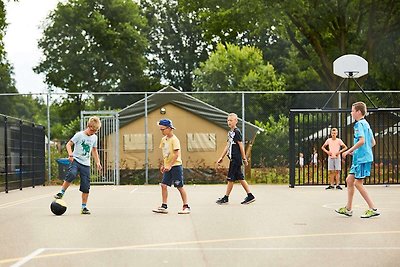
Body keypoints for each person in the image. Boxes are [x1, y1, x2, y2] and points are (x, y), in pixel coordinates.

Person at [335, 102, 380, 218]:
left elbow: (362, 141)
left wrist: (348, 150)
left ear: (358, 112)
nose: (351, 112)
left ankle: (373, 208)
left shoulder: (359, 124)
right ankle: (348, 209)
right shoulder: (366, 124)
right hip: (360, 157)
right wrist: (357, 151)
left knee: (358, 183)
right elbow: (373, 142)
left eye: (352, 110)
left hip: (361, 159)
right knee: (349, 180)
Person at [54, 116, 102, 215]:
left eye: (95, 132)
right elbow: (68, 144)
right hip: (76, 160)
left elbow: (94, 150)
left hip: (86, 164)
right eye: (92, 131)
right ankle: (61, 192)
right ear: (88, 126)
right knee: (72, 174)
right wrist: (70, 154)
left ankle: (83, 207)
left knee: (86, 186)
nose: (93, 133)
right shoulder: (79, 135)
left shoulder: (94, 137)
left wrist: (98, 162)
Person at [216, 113, 255, 205]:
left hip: (236, 159)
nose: (229, 122)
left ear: (236, 121)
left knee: (230, 178)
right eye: (228, 120)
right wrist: (221, 156)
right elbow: (228, 145)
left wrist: (244, 158)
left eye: (231, 120)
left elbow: (241, 145)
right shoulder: (230, 133)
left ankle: (226, 198)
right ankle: (250, 195)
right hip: (232, 158)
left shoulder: (237, 132)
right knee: (240, 177)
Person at [152, 119, 190, 214]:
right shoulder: (163, 140)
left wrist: (170, 165)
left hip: (176, 166)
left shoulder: (175, 140)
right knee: (163, 185)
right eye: (160, 129)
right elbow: (165, 154)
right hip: (167, 166)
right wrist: (163, 164)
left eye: (163, 129)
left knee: (179, 186)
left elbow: (176, 154)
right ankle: (164, 206)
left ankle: (186, 206)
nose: (161, 131)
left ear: (169, 128)